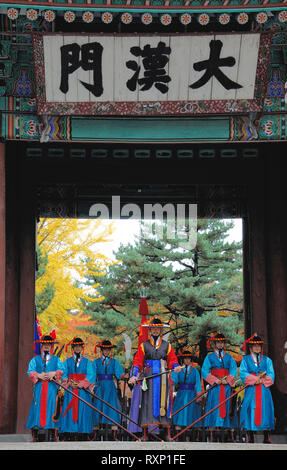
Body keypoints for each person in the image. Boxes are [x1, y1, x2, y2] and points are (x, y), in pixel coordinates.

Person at [128, 316, 181, 441]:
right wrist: (134, 375)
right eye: (153, 329)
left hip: (163, 377)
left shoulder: (167, 345)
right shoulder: (143, 345)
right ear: (150, 330)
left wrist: (176, 366)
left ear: (161, 331)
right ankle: (146, 434)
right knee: (147, 404)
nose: (156, 331)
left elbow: (172, 360)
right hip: (149, 378)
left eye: (158, 329)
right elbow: (137, 362)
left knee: (165, 403)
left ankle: (167, 434)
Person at [201, 332, 238, 442]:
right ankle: (212, 433)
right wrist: (214, 380)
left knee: (227, 407)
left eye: (222, 342)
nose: (220, 344)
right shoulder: (209, 357)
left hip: (226, 387)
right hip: (215, 387)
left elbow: (233, 370)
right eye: (218, 342)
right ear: (214, 344)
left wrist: (228, 380)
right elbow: (204, 371)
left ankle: (227, 434)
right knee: (214, 407)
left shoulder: (229, 358)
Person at [26, 334, 63, 442]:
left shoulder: (56, 359)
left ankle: (52, 434)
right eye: (44, 344)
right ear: (42, 345)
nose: (46, 346)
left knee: (52, 407)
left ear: (51, 346)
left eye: (48, 344)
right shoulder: (35, 359)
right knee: (37, 408)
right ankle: (35, 434)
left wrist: (54, 373)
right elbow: (30, 371)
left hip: (51, 388)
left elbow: (61, 370)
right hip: (39, 388)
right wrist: (38, 375)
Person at [239, 333, 275, 444]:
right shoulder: (245, 360)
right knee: (249, 409)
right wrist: (255, 380)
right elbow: (243, 373)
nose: (257, 348)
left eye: (259, 346)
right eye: (255, 346)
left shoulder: (267, 360)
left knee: (266, 410)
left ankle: (266, 437)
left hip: (264, 389)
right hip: (251, 389)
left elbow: (271, 374)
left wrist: (262, 380)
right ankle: (250, 436)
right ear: (250, 347)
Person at [59, 337, 94, 441]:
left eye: (79, 346)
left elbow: (91, 375)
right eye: (76, 346)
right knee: (69, 410)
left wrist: (82, 384)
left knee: (83, 409)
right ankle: (69, 432)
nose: (78, 348)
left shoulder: (87, 362)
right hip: (71, 390)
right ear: (73, 348)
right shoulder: (67, 361)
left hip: (83, 390)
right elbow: (63, 374)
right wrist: (69, 383)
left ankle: (83, 433)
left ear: (82, 348)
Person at [93, 339, 127, 439]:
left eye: (108, 350)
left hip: (111, 387)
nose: (106, 351)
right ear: (101, 350)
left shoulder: (114, 362)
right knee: (98, 406)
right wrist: (92, 385)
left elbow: (118, 373)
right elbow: (92, 375)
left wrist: (123, 375)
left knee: (112, 407)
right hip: (100, 387)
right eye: (105, 349)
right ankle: (96, 432)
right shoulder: (96, 362)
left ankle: (113, 433)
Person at [171, 348, 203, 441]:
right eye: (185, 359)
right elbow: (174, 380)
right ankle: (178, 434)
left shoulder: (195, 371)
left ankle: (190, 435)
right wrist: (172, 375)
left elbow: (198, 383)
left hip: (192, 394)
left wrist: (198, 395)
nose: (187, 360)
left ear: (191, 360)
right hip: (181, 394)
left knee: (191, 412)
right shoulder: (179, 370)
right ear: (182, 360)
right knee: (179, 411)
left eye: (189, 358)